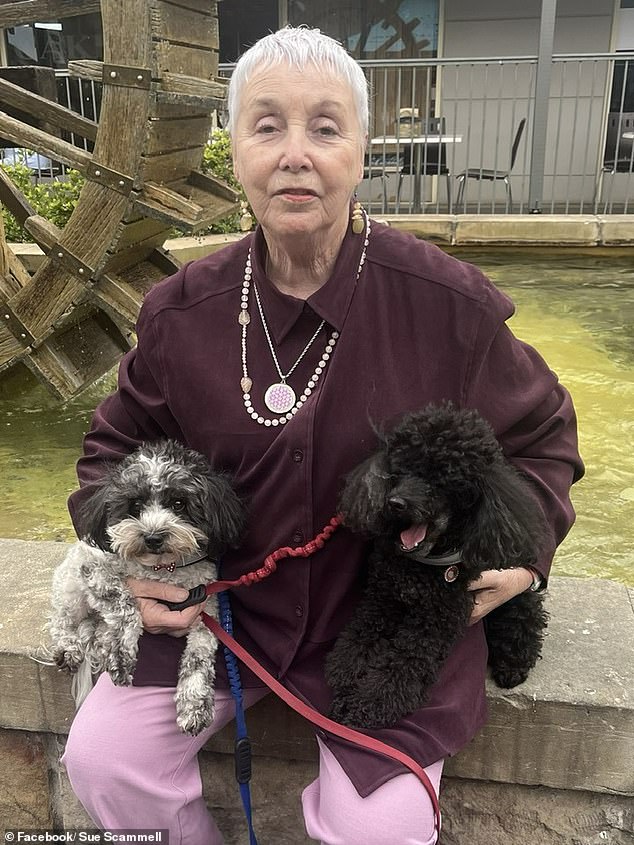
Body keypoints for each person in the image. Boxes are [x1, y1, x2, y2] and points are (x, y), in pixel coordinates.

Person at [61, 26, 583, 845]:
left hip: (389, 617)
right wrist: (134, 570)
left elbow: (546, 436)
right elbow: (107, 455)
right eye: (267, 126)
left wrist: (526, 557)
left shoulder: (450, 303)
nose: (295, 154)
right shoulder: (180, 312)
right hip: (222, 612)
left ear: (362, 151)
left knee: (380, 826)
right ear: (234, 150)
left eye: (325, 127)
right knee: (103, 759)